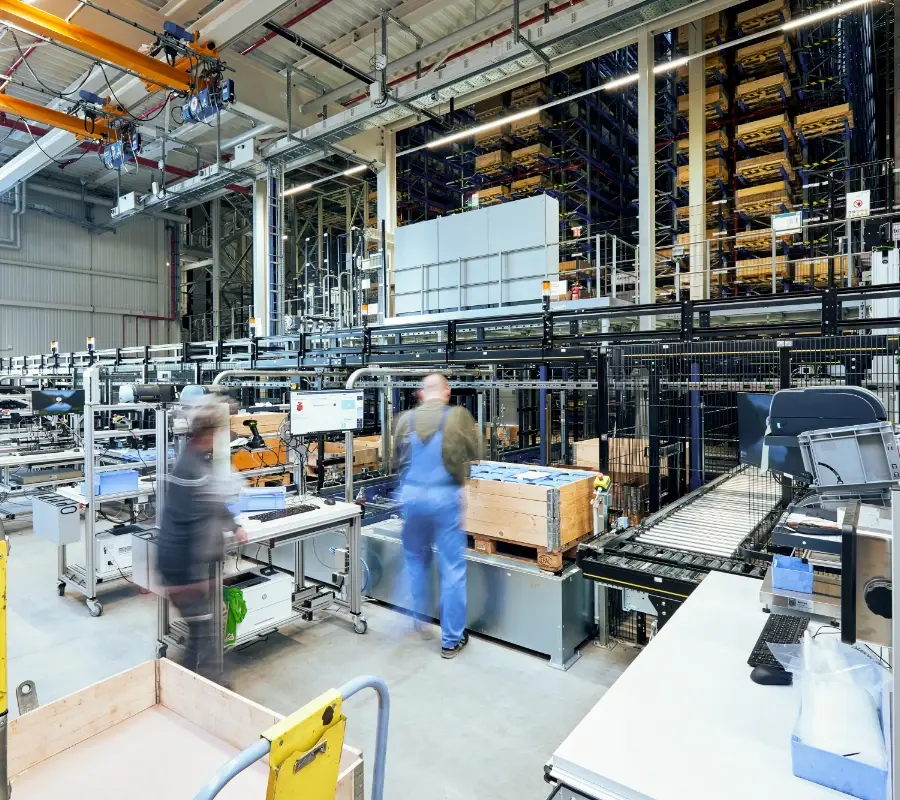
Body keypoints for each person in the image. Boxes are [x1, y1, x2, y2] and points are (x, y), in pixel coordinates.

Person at [158, 400, 247, 681]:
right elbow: (186, 528)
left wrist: (234, 527)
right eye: (220, 431)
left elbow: (212, 504)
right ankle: (204, 691)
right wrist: (196, 578)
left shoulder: (197, 462)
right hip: (183, 570)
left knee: (203, 636)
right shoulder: (191, 471)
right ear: (208, 434)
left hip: (188, 569)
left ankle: (189, 687)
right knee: (207, 640)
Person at [394, 374, 481, 658]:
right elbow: (475, 453)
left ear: (421, 394)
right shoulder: (458, 416)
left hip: (412, 497)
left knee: (416, 561)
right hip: (444, 497)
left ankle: (420, 621)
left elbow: (395, 459)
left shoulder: (404, 420)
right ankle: (451, 639)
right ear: (447, 392)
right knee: (452, 568)